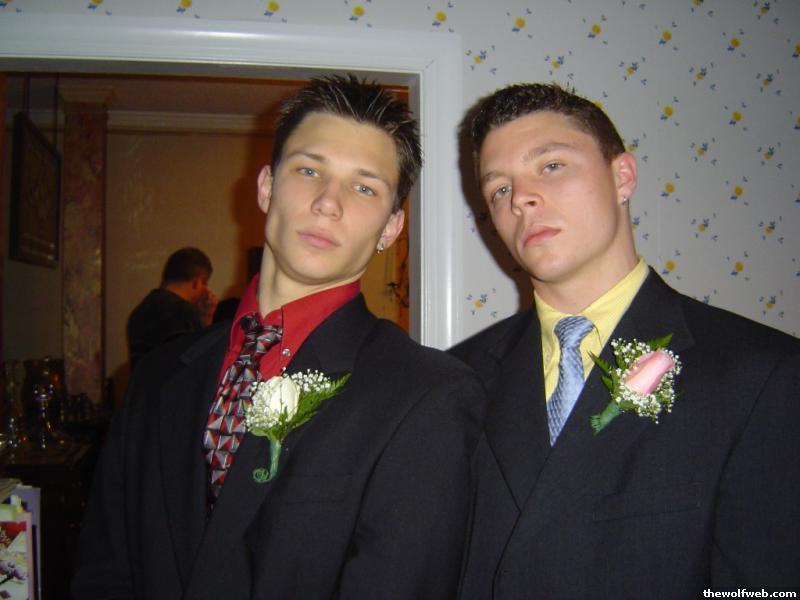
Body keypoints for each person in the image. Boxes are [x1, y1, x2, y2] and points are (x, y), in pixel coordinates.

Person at [72, 75, 486, 599]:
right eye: (309, 170)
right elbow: (106, 571)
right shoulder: (157, 375)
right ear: (267, 187)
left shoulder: (428, 398)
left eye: (364, 187)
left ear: (390, 227)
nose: (328, 202)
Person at [451, 83, 799, 598]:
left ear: (622, 176)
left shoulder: (762, 375)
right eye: (499, 189)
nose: (520, 198)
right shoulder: (457, 381)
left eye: (551, 166)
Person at [126, 246, 218, 367]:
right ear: (196, 282)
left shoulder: (139, 312)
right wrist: (207, 319)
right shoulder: (184, 313)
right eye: (205, 283)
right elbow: (200, 364)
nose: (206, 290)